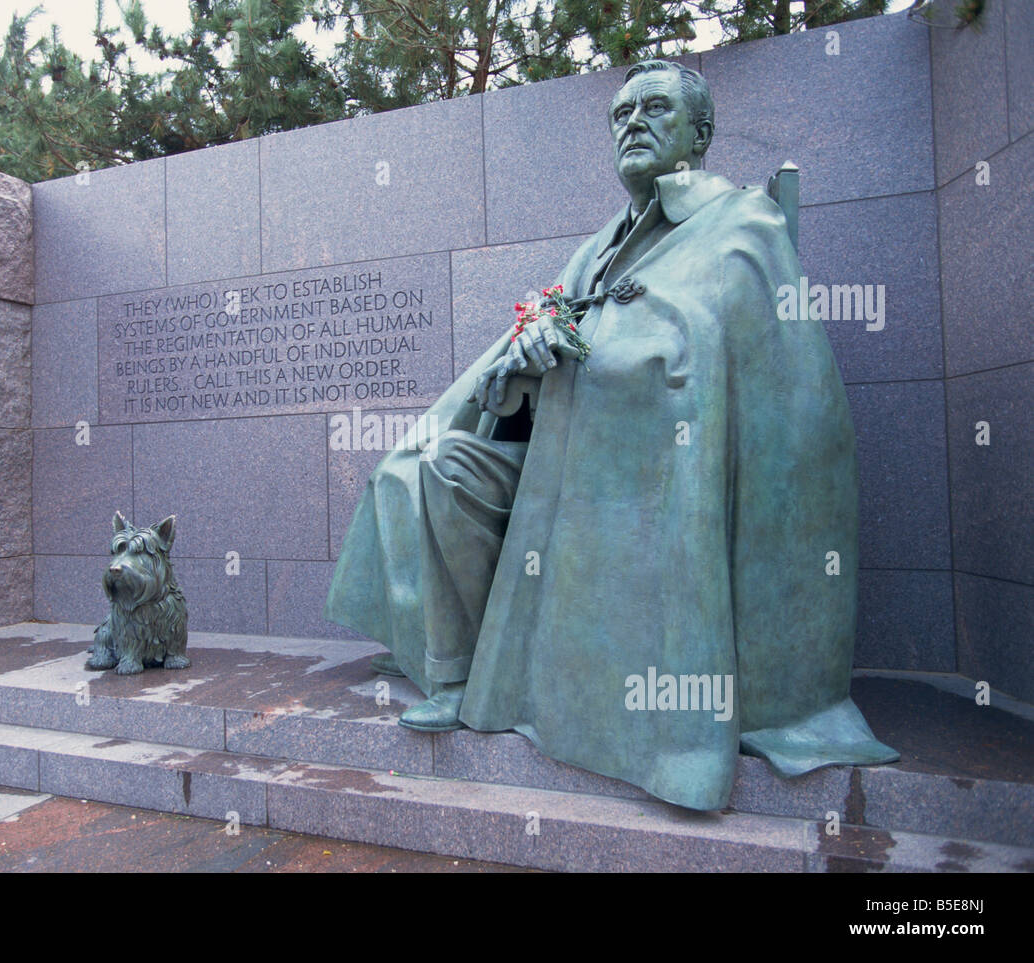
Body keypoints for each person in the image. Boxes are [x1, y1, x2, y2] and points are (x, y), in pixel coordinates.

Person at [324, 59, 897, 811]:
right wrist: (519, 371)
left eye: (655, 108)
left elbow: (753, 384)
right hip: (556, 476)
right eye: (621, 112)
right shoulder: (595, 249)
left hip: (657, 486)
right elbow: (525, 386)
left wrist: (614, 363)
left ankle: (653, 727)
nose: (632, 122)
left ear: (701, 131)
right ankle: (457, 672)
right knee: (441, 468)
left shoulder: (742, 226)